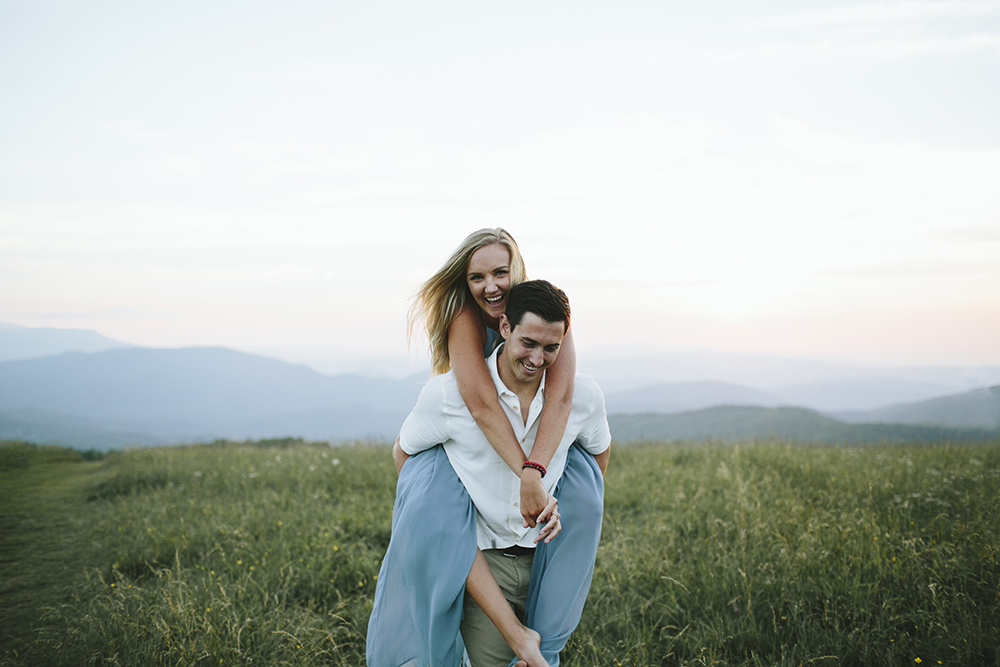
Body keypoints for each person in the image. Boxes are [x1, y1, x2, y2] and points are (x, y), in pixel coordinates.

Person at [366, 277, 611, 667]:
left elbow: (598, 455)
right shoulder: (448, 397)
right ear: (505, 327)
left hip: (551, 559)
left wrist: (567, 499)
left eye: (551, 348)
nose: (537, 358)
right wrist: (441, 518)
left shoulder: (583, 398)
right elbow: (405, 454)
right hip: (487, 562)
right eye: (528, 343)